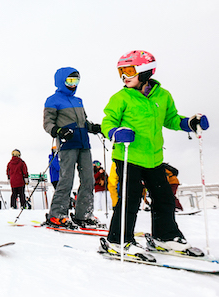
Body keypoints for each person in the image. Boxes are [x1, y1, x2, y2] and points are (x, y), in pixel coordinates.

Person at [100, 50, 209, 259]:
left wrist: (189, 123)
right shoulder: (121, 97)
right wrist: (115, 132)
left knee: (164, 197)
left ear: (145, 71)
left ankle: (165, 237)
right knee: (130, 199)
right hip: (128, 155)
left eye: (129, 70)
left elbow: (171, 119)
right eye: (121, 72)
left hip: (154, 157)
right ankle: (118, 240)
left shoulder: (163, 95)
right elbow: (108, 122)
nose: (124, 76)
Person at [42, 67, 102, 229]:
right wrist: (59, 131)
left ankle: (84, 215)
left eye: (76, 81)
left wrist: (93, 127)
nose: (73, 84)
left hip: (84, 144)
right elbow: (48, 123)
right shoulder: (53, 100)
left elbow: (84, 122)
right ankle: (57, 214)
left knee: (89, 180)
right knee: (66, 179)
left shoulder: (78, 101)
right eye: (69, 81)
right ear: (61, 81)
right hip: (68, 145)